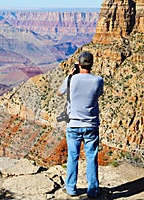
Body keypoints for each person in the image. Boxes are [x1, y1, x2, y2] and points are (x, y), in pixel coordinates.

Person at [57, 51, 104, 199]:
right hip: (91, 125)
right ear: (91, 63)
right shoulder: (98, 80)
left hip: (73, 125)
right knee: (91, 157)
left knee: (73, 157)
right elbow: (97, 95)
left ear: (79, 63)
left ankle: (71, 188)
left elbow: (59, 92)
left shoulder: (72, 79)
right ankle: (93, 190)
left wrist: (70, 75)